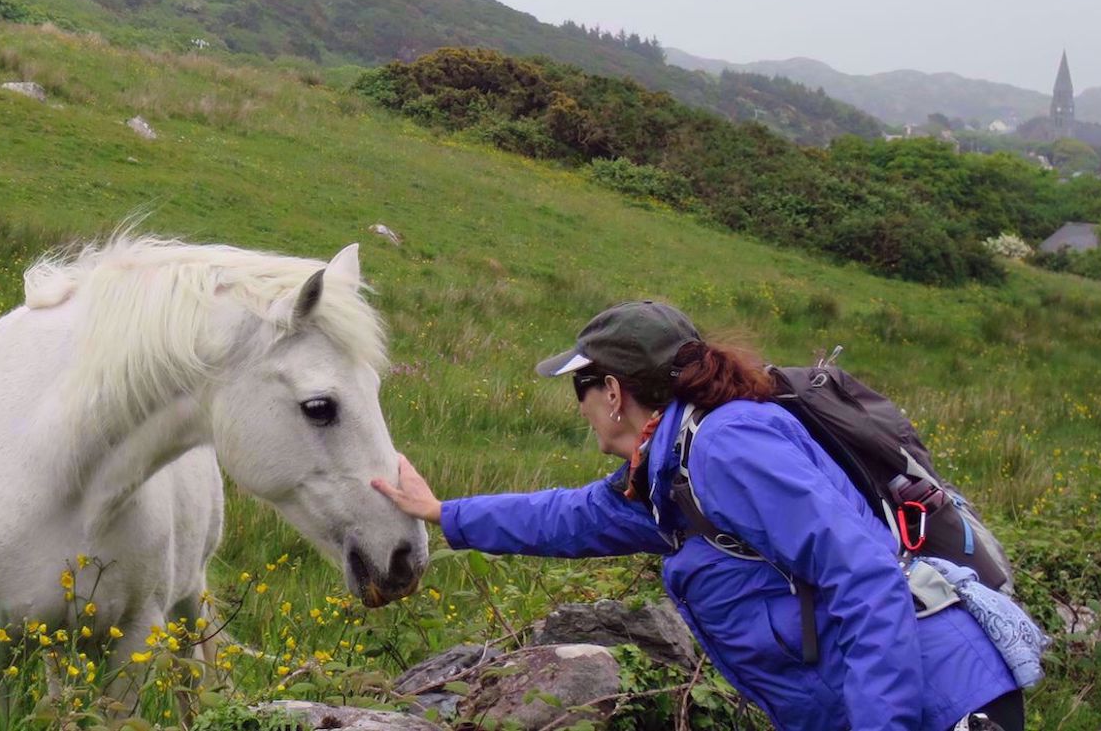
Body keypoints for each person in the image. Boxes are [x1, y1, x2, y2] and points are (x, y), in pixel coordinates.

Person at [372, 301, 1024, 731]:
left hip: (940, 701)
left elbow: (865, 577)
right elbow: (571, 517)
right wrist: (443, 512)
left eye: (580, 387)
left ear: (613, 390)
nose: (579, 407)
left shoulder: (727, 449)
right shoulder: (671, 470)